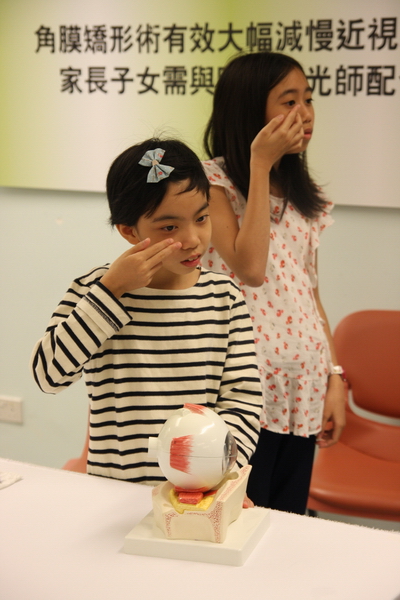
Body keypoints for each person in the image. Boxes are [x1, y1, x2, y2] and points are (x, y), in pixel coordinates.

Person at [31, 138, 263, 487]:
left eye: (201, 218)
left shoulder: (223, 296)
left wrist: (221, 470)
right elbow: (48, 376)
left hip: (197, 494)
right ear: (129, 231)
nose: (192, 238)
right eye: (169, 227)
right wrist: (111, 292)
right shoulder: (96, 290)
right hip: (111, 492)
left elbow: (243, 400)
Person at [202, 51, 346, 514]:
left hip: (302, 386)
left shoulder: (308, 198)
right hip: (245, 388)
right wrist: (258, 166)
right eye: (288, 101)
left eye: (308, 99)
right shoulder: (214, 183)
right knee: (239, 518)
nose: (304, 114)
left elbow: (311, 294)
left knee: (287, 521)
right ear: (250, 110)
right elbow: (249, 267)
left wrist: (335, 377)